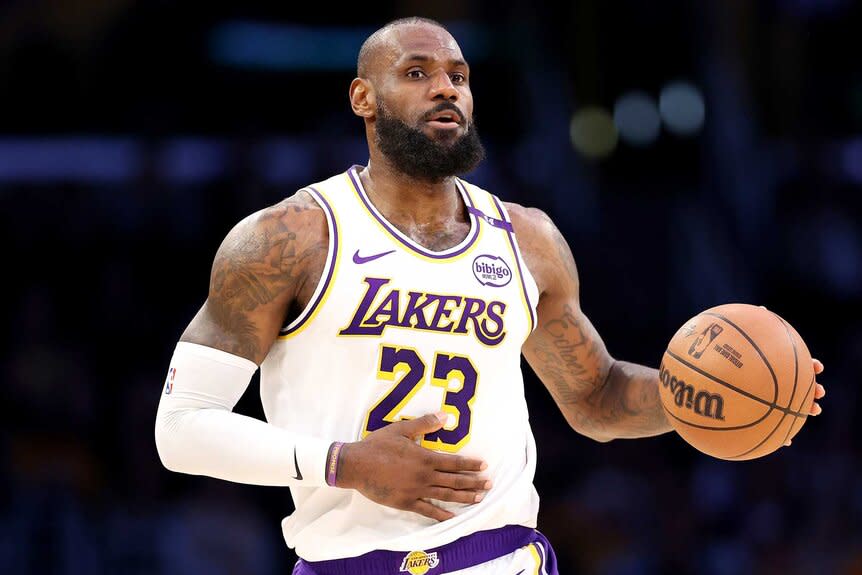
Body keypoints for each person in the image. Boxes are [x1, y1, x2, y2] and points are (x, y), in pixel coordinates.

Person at [155, 16, 826, 575]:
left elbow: (594, 397)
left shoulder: (526, 239)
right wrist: (344, 462)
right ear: (364, 97)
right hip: (348, 560)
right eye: (417, 73)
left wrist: (703, 398)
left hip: (501, 556)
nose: (446, 89)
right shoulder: (289, 238)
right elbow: (179, 430)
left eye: (458, 76)